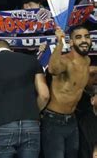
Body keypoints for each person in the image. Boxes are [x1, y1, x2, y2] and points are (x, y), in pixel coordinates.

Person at [42, 25, 92, 158]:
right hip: (53, 121)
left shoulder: (87, 61)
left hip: (72, 120)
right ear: (71, 42)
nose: (84, 40)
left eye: (87, 37)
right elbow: (52, 69)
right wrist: (59, 43)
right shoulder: (65, 61)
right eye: (78, 37)